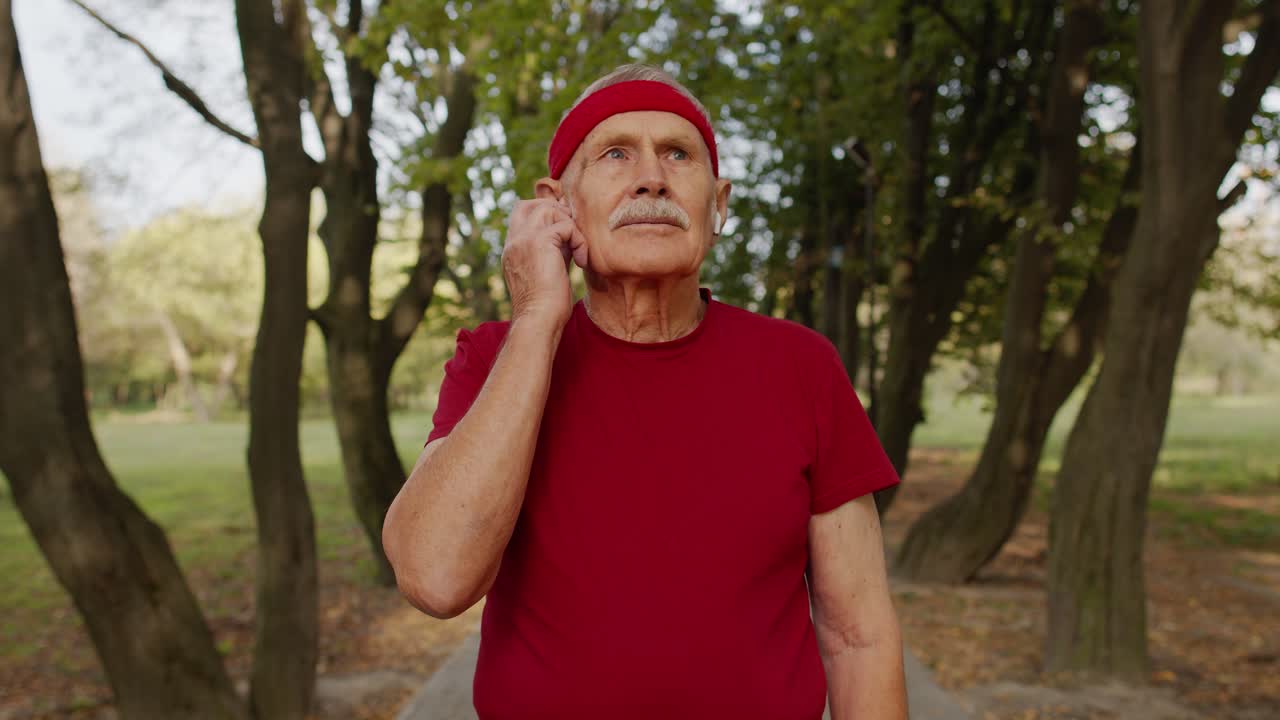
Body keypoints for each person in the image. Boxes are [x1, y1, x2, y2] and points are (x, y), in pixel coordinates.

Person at [383, 64, 908, 720]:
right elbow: (434, 577)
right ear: (557, 204)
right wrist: (538, 319)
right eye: (615, 154)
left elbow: (858, 636)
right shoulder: (495, 358)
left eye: (678, 155)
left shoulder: (801, 366)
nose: (652, 177)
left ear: (717, 208)